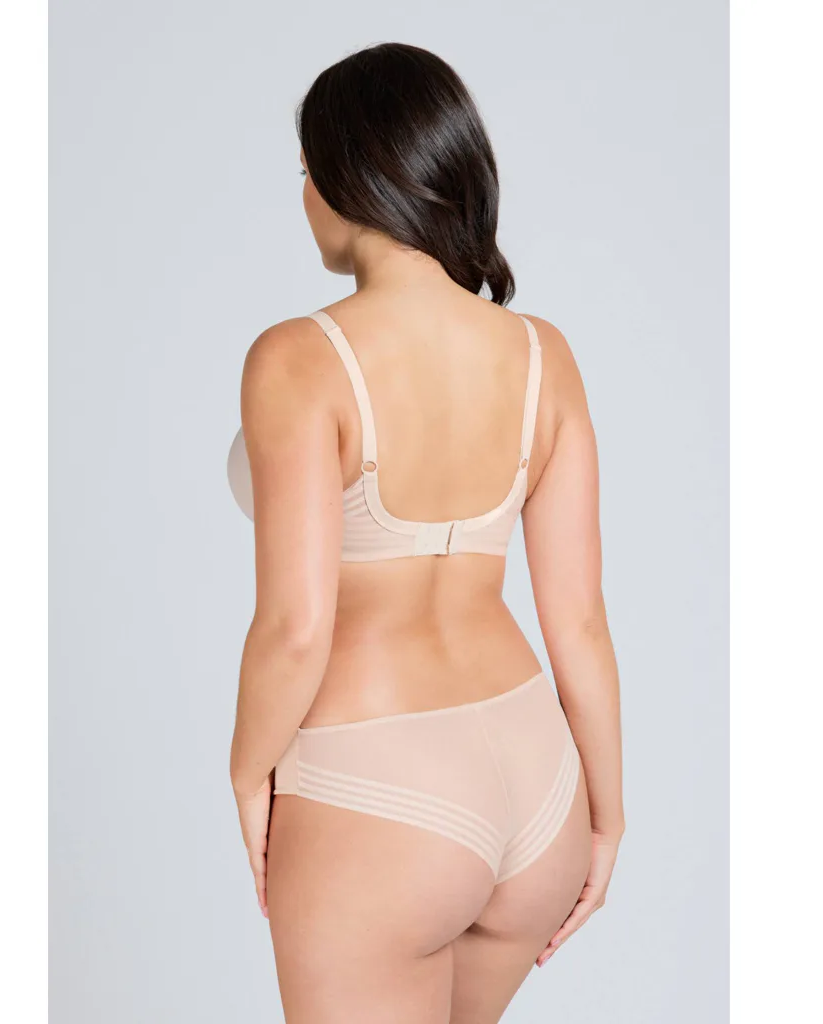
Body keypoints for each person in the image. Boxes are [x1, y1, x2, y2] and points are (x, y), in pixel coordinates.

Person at [226, 42, 625, 1023]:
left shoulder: (298, 358)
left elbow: (296, 628)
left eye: (308, 171)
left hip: (378, 788)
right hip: (537, 783)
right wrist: (607, 815)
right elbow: (579, 621)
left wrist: (246, 767)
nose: (305, 195)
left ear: (347, 177)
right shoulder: (544, 354)